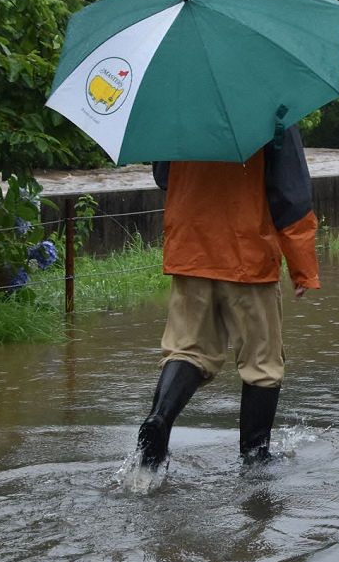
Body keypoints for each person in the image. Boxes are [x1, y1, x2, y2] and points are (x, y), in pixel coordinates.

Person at [136, 122, 320, 470]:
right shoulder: (271, 108)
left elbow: (164, 176)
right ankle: (254, 461)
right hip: (247, 254)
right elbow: (289, 193)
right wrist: (303, 266)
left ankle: (159, 419)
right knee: (261, 364)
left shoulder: (179, 104)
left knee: (187, 349)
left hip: (191, 249)